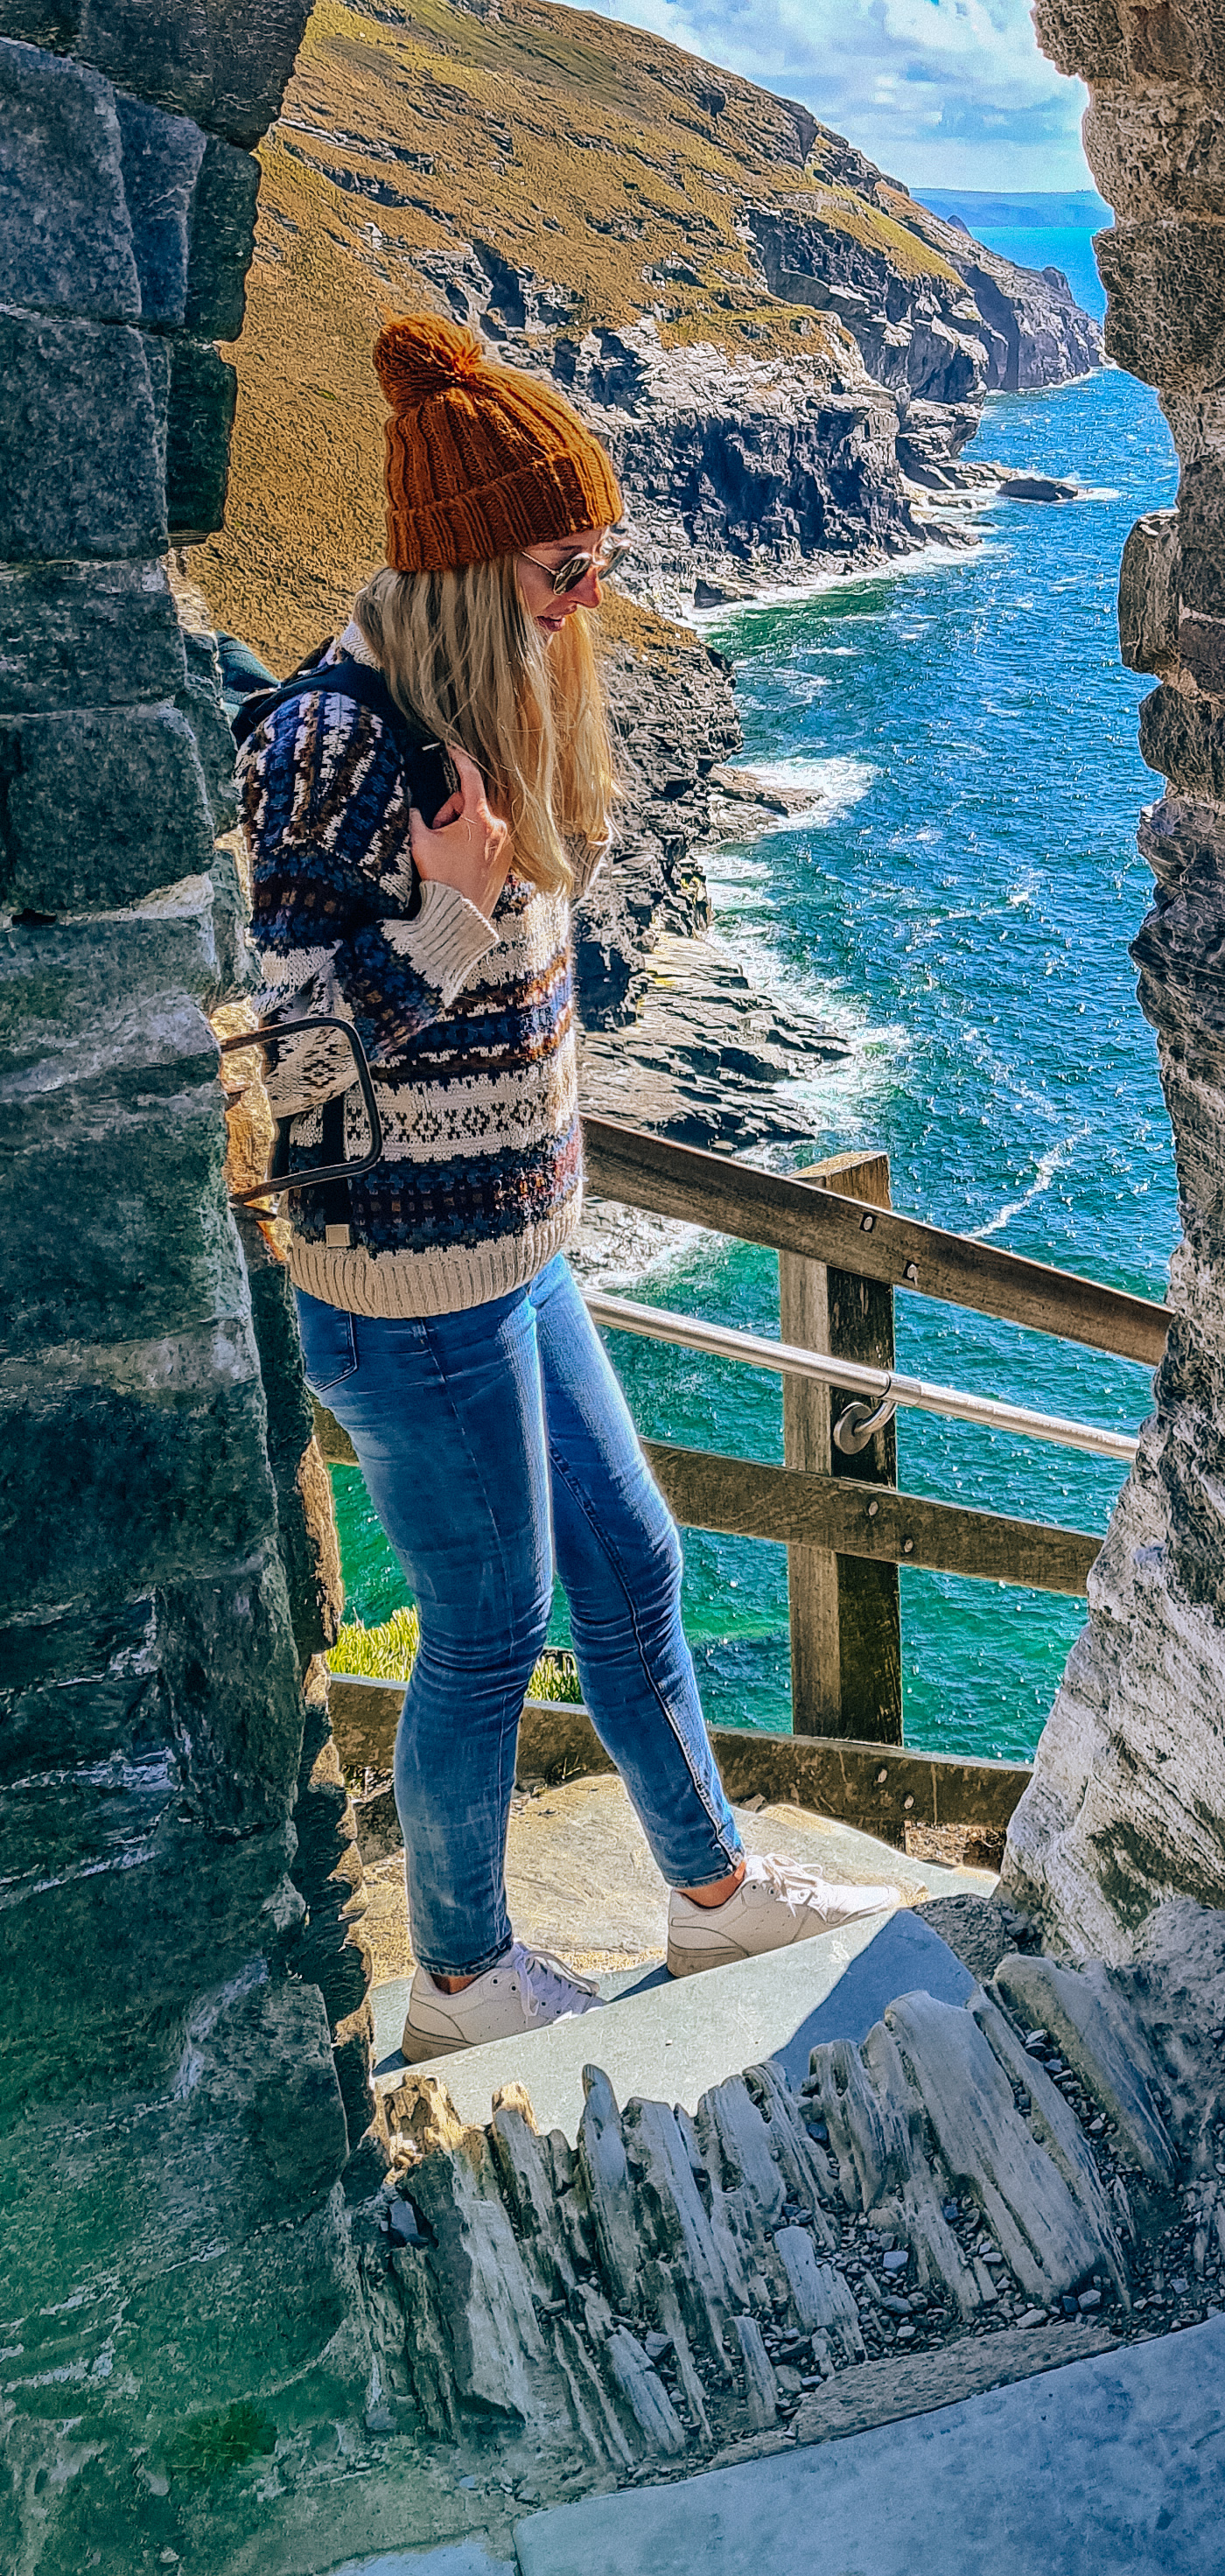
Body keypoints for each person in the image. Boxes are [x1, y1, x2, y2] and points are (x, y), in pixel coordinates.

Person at [240, 313, 899, 2062]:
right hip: (406, 1292)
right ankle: (462, 1985)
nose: (590, 597)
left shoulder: (490, 705)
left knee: (635, 1567)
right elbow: (279, 1079)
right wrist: (449, 915)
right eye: (564, 563)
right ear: (468, 566)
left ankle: (709, 1900)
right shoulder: (329, 745)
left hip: (519, 1259)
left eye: (598, 558)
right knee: (486, 1632)